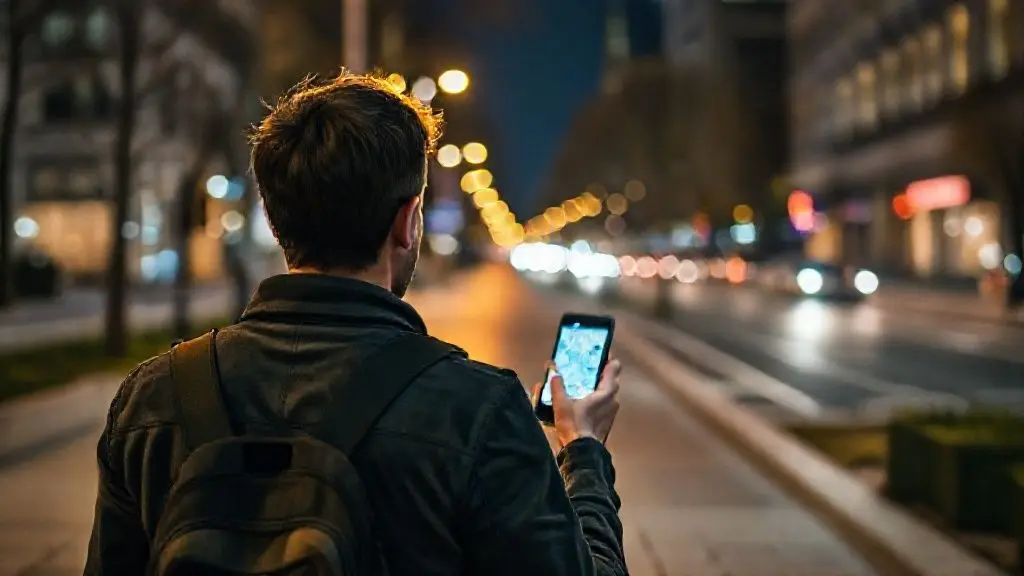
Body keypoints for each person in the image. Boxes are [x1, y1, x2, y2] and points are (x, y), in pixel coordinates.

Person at [84, 72, 627, 576]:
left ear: (276, 221)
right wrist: (583, 449)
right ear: (408, 222)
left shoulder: (152, 400)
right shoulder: (476, 411)